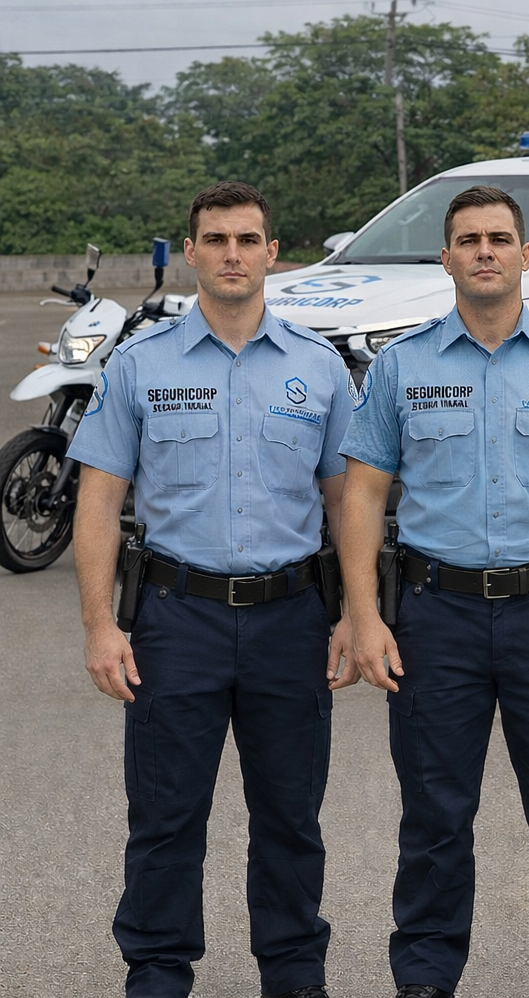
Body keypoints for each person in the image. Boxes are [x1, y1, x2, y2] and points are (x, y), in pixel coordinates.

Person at [339, 185, 529, 998]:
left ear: (524, 256)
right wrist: (364, 614)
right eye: (468, 239)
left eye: (499, 238)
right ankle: (426, 977)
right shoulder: (401, 366)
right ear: (445, 258)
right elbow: (363, 492)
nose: (485, 251)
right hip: (435, 614)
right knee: (436, 817)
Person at [70, 180, 356, 998]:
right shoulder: (139, 365)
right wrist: (99, 625)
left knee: (291, 822)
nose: (233, 253)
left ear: (273, 252)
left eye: (248, 239)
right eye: (217, 239)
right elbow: (98, 501)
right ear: (190, 251)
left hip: (291, 621)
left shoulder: (320, 366)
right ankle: (158, 973)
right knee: (165, 822)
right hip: (175, 619)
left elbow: (347, 503)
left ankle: (295, 973)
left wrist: (354, 615)